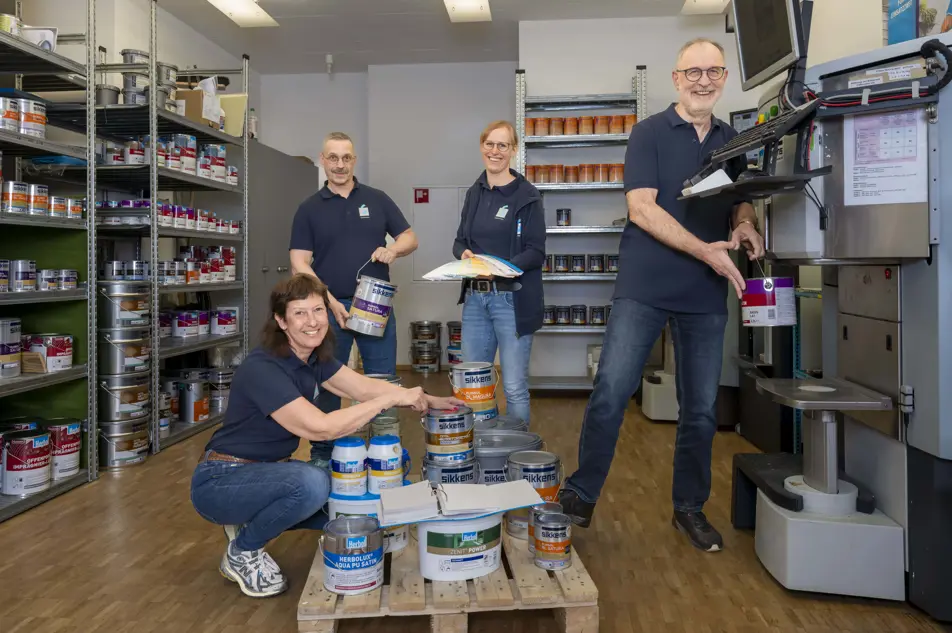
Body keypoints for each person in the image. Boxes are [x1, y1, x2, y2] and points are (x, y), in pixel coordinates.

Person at [557, 38, 765, 553]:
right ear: (676, 79)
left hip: (704, 291)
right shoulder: (648, 133)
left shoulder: (732, 139)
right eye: (692, 72)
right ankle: (581, 494)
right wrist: (706, 251)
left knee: (701, 407)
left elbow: (739, 201)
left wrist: (744, 225)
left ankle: (689, 508)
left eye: (713, 71)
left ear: (723, 78)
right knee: (612, 389)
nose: (702, 81)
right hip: (646, 284)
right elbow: (642, 209)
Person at [190, 274, 460, 598]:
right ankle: (242, 551)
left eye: (318, 310)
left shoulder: (313, 358)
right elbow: (322, 427)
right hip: (221, 480)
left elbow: (364, 388)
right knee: (312, 484)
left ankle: (249, 518)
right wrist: (388, 401)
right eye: (300, 313)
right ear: (281, 321)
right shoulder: (264, 368)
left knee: (348, 504)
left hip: (266, 472)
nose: (312, 321)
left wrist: (426, 398)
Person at [289, 132, 418, 468]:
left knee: (382, 381)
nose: (340, 165)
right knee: (327, 382)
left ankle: (386, 452)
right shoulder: (309, 208)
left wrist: (393, 250)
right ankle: (322, 457)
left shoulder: (376, 199)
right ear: (323, 160)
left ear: (354, 160)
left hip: (375, 306)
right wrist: (329, 300)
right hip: (328, 309)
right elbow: (299, 261)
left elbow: (410, 237)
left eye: (346, 158)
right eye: (333, 158)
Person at [451, 120, 546, 425]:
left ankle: (518, 448)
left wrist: (499, 269)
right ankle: (478, 445)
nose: (495, 151)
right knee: (473, 386)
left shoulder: (528, 196)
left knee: (514, 387)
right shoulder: (474, 193)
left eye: (502, 145)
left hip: (511, 301)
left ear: (513, 150)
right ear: (482, 147)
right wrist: (464, 255)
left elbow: (536, 251)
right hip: (475, 300)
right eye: (490, 144)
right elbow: (460, 241)